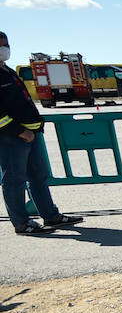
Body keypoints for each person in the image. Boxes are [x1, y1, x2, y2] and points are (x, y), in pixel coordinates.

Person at [0, 31, 83, 235]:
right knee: (14, 180)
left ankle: (50, 216)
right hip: (12, 136)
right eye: (1, 45)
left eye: (6, 44)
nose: (5, 49)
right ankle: (21, 223)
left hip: (31, 132)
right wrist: (19, 131)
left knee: (38, 176)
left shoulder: (7, 71)